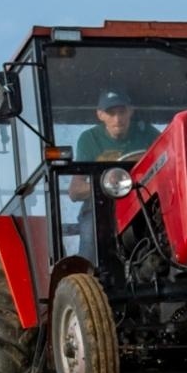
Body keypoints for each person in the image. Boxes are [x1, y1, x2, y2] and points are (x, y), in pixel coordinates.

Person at [69, 90, 162, 254]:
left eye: (122, 112)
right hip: (100, 208)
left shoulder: (149, 134)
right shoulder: (89, 139)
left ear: (131, 111)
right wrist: (108, 185)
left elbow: (168, 162)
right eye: (111, 113)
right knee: (91, 235)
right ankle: (88, 269)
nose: (117, 119)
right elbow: (75, 191)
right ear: (100, 115)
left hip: (142, 205)